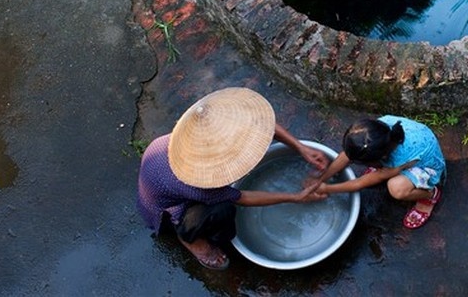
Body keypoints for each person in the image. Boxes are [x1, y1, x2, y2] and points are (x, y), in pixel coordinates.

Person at [137, 87, 328, 270]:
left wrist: (301, 148)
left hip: (167, 184)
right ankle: (190, 238)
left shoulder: (200, 129)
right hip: (169, 211)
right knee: (223, 210)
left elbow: (261, 124)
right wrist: (295, 197)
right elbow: (240, 197)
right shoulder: (194, 183)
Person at [312, 115, 445, 229]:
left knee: (396, 188)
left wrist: (327, 188)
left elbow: (360, 183)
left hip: (427, 165)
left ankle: (430, 194)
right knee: (358, 153)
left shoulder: (397, 162)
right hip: (415, 143)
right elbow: (348, 155)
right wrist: (321, 178)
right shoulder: (374, 133)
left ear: (382, 158)